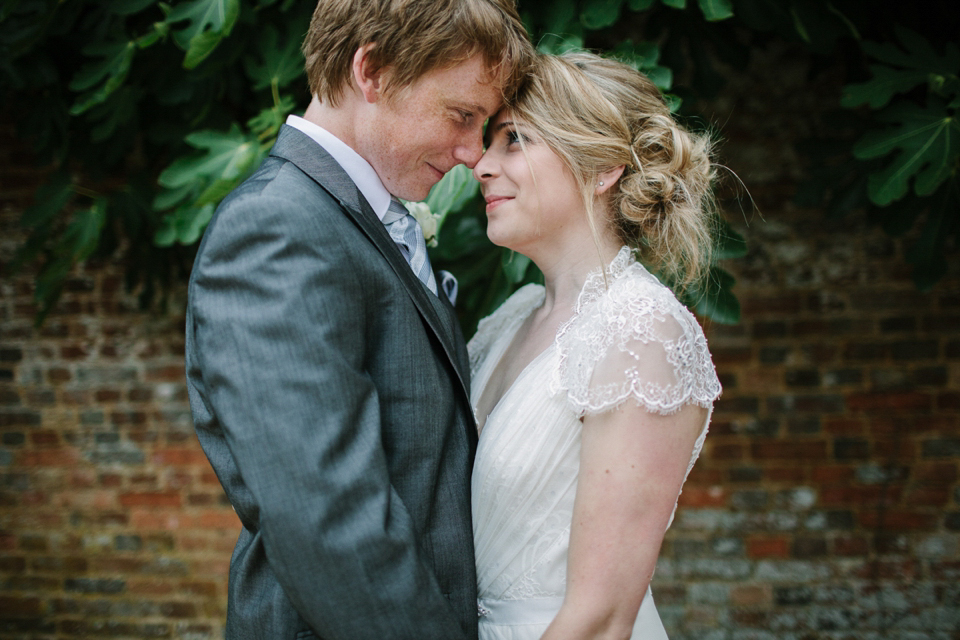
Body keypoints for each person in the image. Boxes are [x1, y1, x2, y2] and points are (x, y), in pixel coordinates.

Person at [184, 1, 532, 638]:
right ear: (372, 70)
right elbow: (327, 519)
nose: (470, 151)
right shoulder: (279, 227)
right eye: (461, 115)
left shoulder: (364, 218)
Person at [467, 51, 723, 639]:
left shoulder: (643, 333)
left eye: (514, 140)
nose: (480, 165)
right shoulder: (508, 320)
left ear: (602, 166)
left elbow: (602, 618)